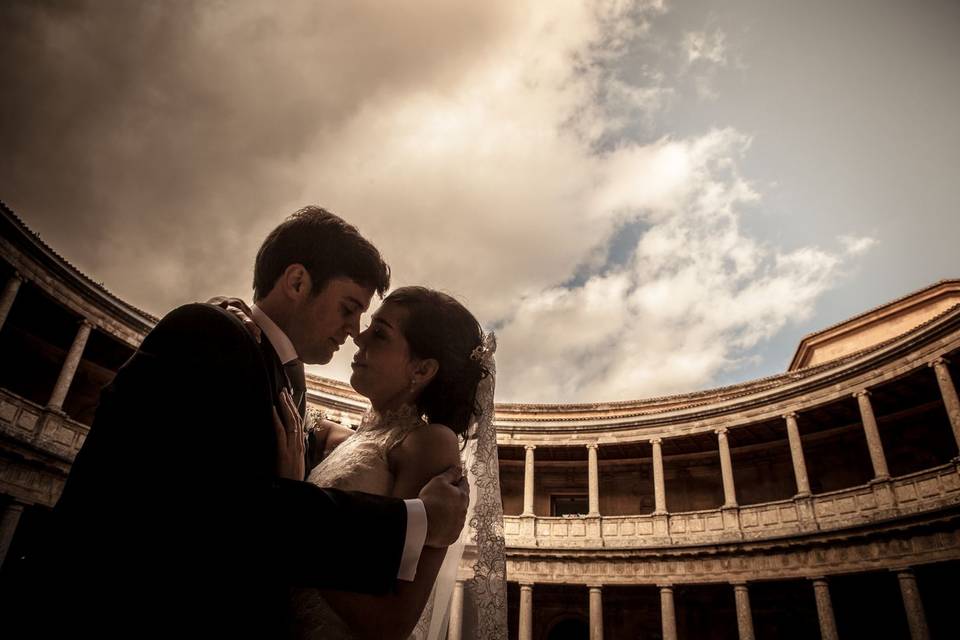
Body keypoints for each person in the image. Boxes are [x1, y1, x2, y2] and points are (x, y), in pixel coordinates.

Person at [4, 207, 469, 638]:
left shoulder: (283, 377)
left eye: (370, 324)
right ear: (297, 282)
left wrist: (317, 452)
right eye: (349, 308)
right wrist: (416, 520)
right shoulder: (209, 334)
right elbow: (225, 504)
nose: (354, 332)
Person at [270, 286, 507, 639]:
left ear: (422, 369)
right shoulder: (350, 438)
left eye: (379, 333)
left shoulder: (429, 443)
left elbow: (391, 622)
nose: (358, 336)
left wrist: (290, 522)